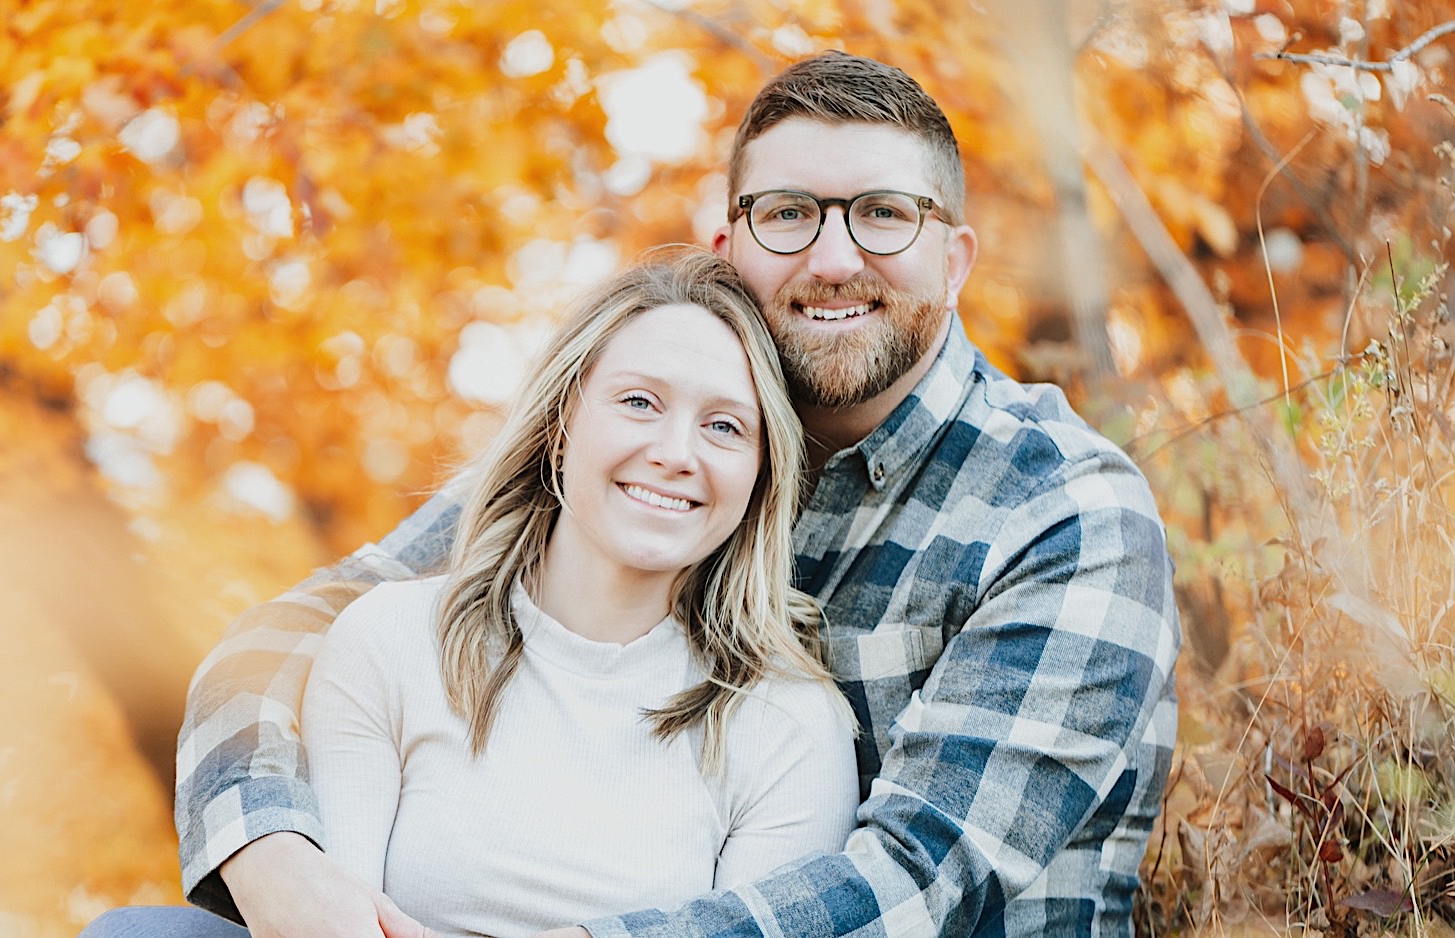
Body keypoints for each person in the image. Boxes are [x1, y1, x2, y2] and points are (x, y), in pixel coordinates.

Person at [103, 50, 1181, 938]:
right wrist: (275, 854)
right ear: (730, 248)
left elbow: (918, 883)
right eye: (789, 213)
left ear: (955, 257)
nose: (836, 255)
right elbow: (296, 635)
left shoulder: (1065, 511)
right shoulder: (639, 442)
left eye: (885, 215)